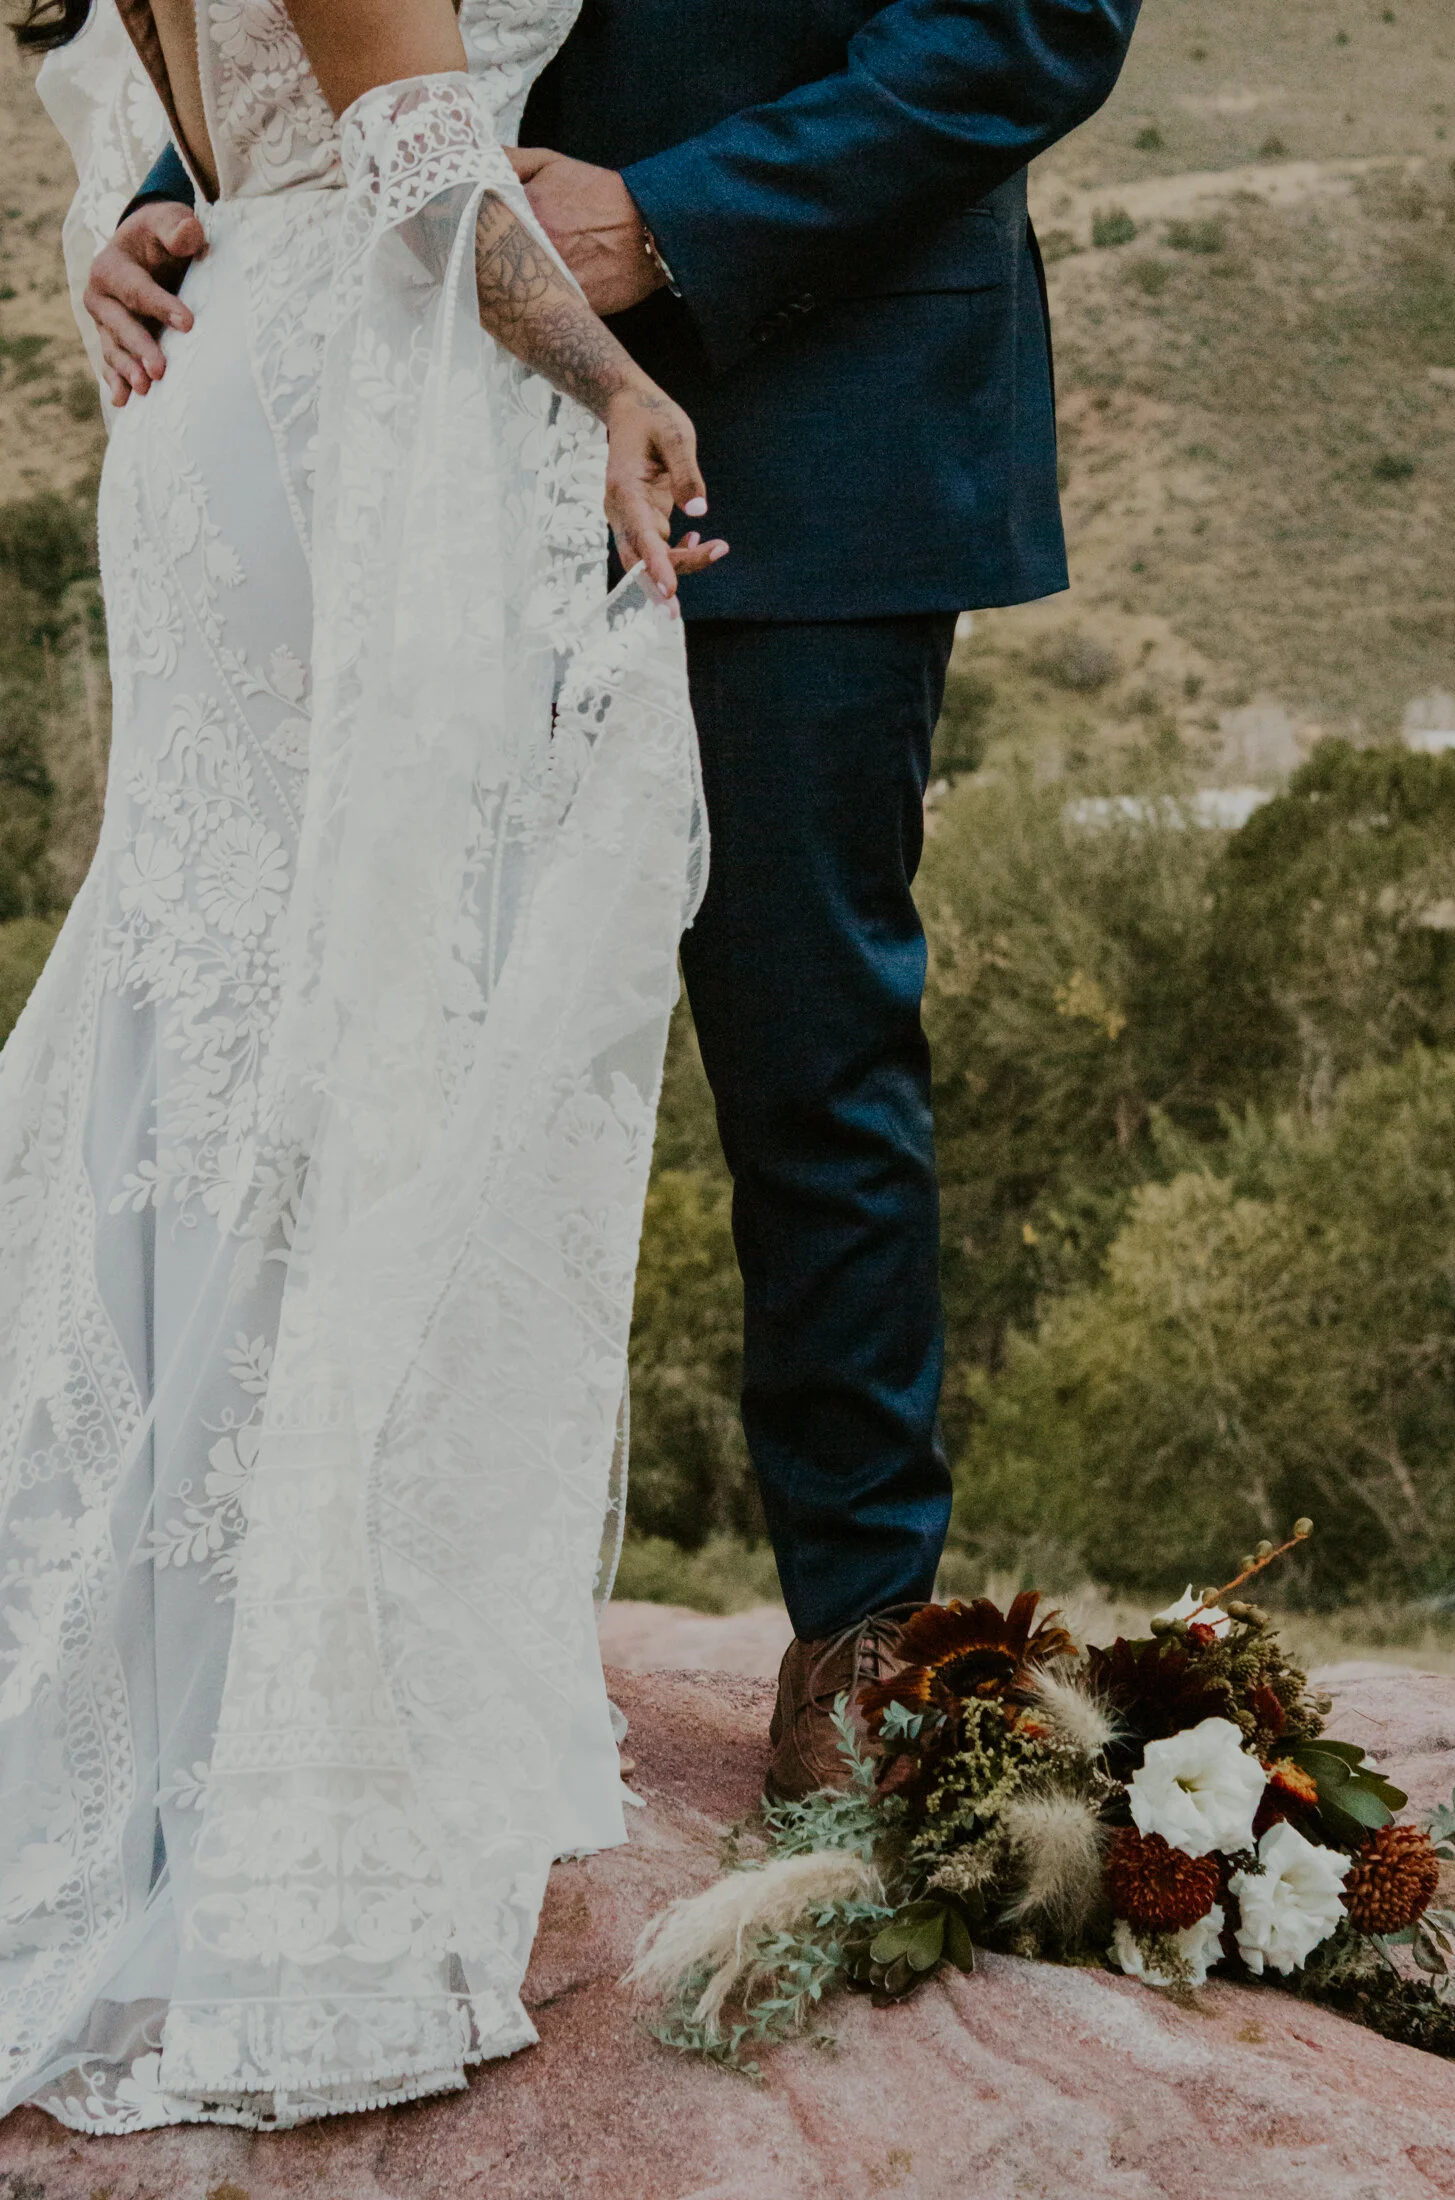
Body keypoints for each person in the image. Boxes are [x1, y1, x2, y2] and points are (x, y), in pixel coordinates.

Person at [92, 0, 1142, 1810]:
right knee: (363, 1037)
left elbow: (1027, 23)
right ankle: (351, 1628)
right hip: (409, 417)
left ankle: (864, 1626)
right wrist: (193, 187)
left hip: (810, 411)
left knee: (810, 1047)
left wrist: (674, 218)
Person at [1, 0, 725, 2132]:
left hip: (263, 377)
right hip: (362, 415)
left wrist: (112, 243)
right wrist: (610, 381)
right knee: (326, 1070)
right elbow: (417, 158)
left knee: (222, 1045)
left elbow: (175, 118)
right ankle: (269, 1836)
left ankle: (193, 1783)